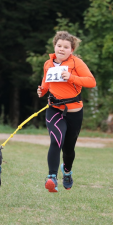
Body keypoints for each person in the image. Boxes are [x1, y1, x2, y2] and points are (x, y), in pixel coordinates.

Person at [37, 31, 96, 193]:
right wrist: (42, 91)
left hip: (74, 112)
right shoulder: (48, 64)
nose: (61, 49)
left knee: (69, 149)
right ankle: (52, 178)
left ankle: (67, 172)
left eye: (66, 47)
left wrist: (71, 77)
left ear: (72, 49)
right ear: (54, 46)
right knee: (56, 140)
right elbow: (46, 84)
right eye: (59, 46)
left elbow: (91, 82)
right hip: (55, 109)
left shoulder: (76, 63)